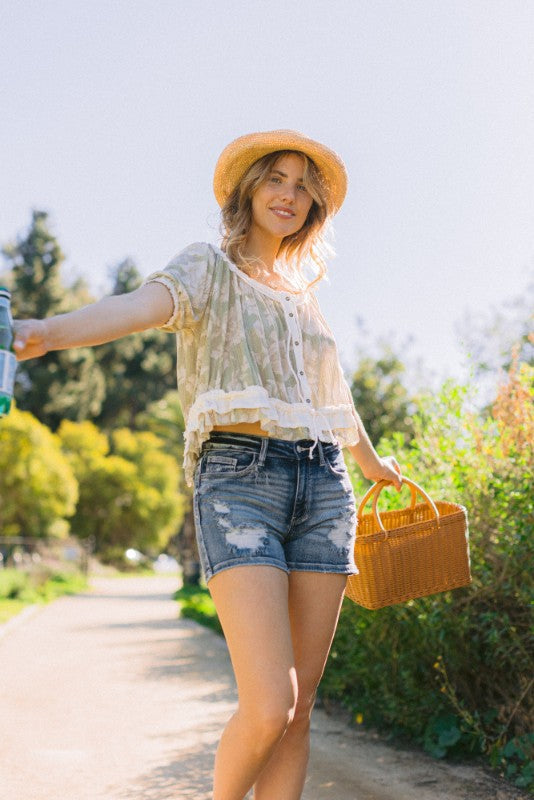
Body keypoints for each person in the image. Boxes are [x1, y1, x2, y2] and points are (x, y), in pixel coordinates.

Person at [13, 129, 403, 800]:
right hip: (239, 484)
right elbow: (135, 308)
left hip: (326, 491)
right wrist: (47, 333)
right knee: (269, 704)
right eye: (276, 178)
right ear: (248, 189)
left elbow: (333, 401)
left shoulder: (304, 298)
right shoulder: (208, 268)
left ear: (315, 208)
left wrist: (372, 464)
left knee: (300, 710)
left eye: (303, 187)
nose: (289, 194)